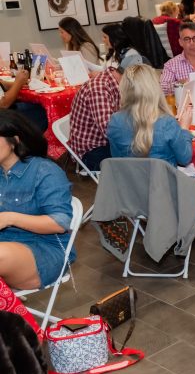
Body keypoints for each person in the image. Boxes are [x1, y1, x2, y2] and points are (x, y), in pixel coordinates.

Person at [106, 65, 195, 241]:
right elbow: (185, 158)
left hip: (132, 191)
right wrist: (184, 128)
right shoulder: (165, 122)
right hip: (168, 192)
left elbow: (117, 159)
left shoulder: (115, 121)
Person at [0, 110, 76, 290]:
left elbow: (60, 223)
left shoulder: (44, 171)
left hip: (43, 250)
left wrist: (10, 218)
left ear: (15, 141)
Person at [67, 64, 121, 171]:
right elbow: (109, 131)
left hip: (104, 142)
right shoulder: (99, 90)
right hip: (91, 149)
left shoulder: (114, 83)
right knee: (137, 160)